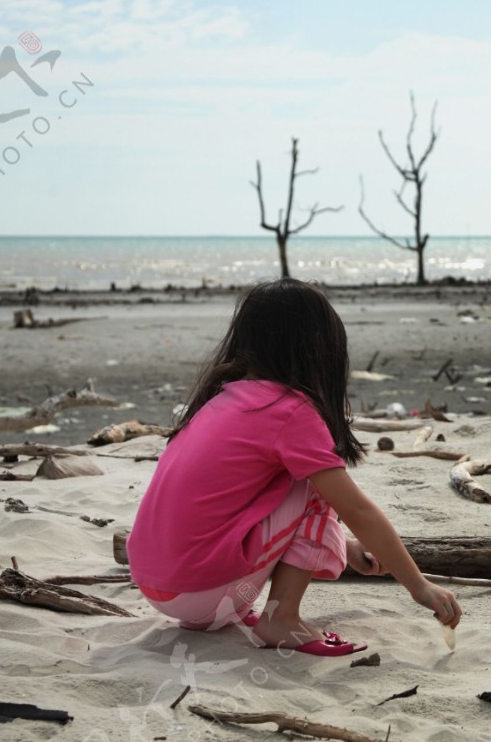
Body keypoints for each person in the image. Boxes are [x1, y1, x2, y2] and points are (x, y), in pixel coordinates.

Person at [127, 278, 462, 656]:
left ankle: (258, 610)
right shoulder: (288, 409)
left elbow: (233, 505)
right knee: (318, 485)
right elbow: (356, 508)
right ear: (317, 348)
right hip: (198, 589)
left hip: (160, 583)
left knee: (304, 478)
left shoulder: (223, 396)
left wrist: (347, 547)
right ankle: (281, 618)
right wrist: (419, 586)